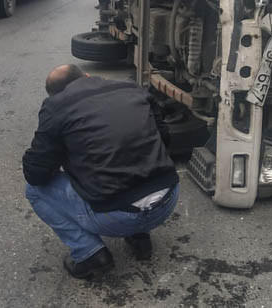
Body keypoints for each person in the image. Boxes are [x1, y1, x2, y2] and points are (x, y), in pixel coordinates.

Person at [22, 64, 180, 280]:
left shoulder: (56, 107)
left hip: (117, 216)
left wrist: (67, 154)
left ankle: (89, 254)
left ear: (55, 95)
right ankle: (139, 238)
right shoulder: (132, 89)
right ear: (87, 76)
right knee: (131, 156)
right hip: (167, 200)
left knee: (34, 191)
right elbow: (164, 139)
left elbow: (35, 174)